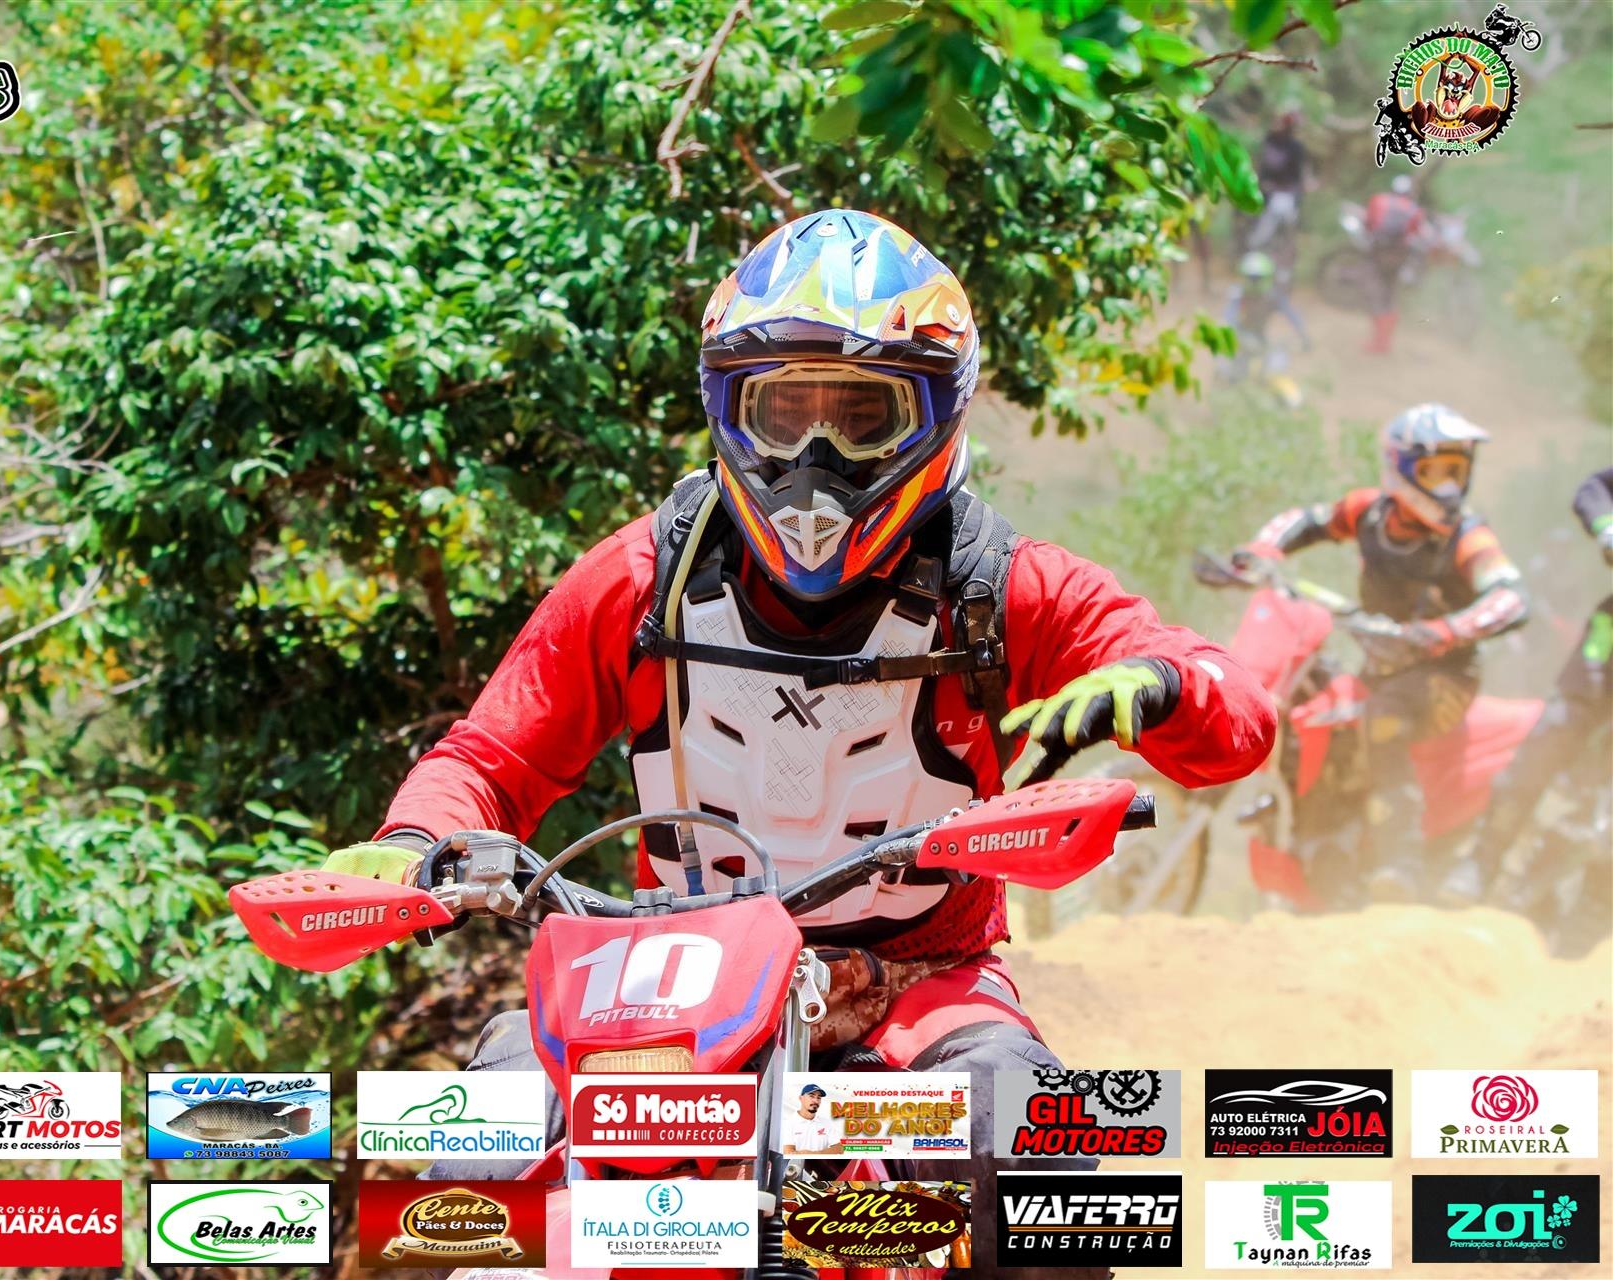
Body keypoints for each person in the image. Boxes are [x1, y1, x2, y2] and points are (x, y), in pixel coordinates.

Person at [326, 209, 1275, 1272]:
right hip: (663, 987)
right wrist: (415, 842)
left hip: (916, 984)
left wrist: (1160, 686)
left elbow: (1232, 713)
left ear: (938, 412)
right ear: (725, 408)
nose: (814, 458)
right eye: (783, 412)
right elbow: (488, 759)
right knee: (459, 1172)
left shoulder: (1001, 586)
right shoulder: (642, 579)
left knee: (1049, 1173)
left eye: (862, 415)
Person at [1235, 404, 1528, 897]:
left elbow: (1510, 596)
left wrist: (1443, 631)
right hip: (1382, 667)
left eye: (1456, 472)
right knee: (1317, 706)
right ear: (1401, 466)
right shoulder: (1368, 512)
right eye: (1434, 471)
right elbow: (1309, 521)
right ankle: (1318, 842)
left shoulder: (1467, 536)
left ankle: (1402, 866)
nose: (1448, 487)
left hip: (1445, 679)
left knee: (1383, 719)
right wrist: (1262, 551)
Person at [1441, 468, 1613, 902]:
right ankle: (1481, 862)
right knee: (1552, 734)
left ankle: (1591, 910)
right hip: (1606, 641)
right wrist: (1608, 527)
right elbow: (1594, 488)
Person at [1222, 250, 1310, 384]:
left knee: (1274, 368)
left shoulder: (1273, 296)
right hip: (1239, 340)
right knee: (1232, 372)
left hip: (1261, 339)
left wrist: (1303, 335)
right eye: (1251, 278)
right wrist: (1237, 337)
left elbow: (1292, 315)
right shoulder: (1238, 295)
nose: (1254, 282)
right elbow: (1229, 319)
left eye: (1257, 278)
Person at [1362, 174, 1427, 355]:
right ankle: (1385, 342)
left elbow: (1368, 224)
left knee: (1376, 294)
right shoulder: (1414, 209)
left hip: (1378, 254)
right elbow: (1416, 233)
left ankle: (1377, 341)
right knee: (1390, 296)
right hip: (1399, 257)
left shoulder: (1378, 200)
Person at [1249, 108, 1310, 274]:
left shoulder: (1296, 148)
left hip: (1285, 196)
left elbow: (1298, 176)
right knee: (1260, 235)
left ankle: (1282, 268)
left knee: (1283, 224)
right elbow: (1263, 166)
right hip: (1265, 195)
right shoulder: (1269, 142)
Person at [781, 1082, 839, 1156]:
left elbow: (839, 1148)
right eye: (811, 1096)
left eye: (819, 1098)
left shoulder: (826, 1123)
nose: (816, 1101)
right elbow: (788, 1152)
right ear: (801, 1098)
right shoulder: (788, 1123)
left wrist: (815, 1154)